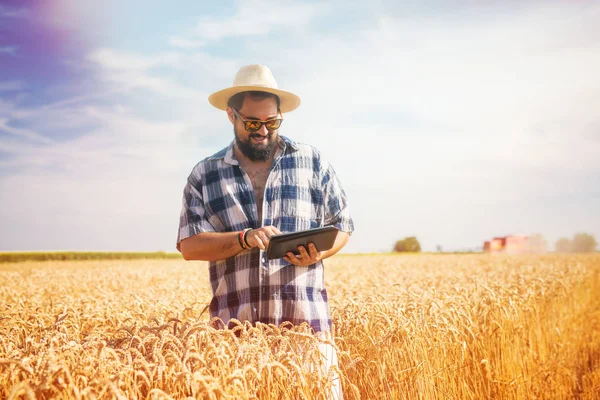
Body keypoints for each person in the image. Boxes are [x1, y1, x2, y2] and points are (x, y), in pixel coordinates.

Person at [176, 64, 353, 397]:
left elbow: (342, 225)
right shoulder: (204, 174)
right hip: (235, 341)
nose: (262, 131)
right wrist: (243, 239)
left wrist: (317, 253)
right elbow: (189, 246)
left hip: (307, 335)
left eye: (271, 123)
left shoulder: (312, 162)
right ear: (231, 116)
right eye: (252, 123)